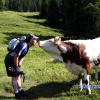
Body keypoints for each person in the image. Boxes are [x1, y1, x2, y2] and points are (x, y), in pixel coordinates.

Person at [4, 34, 38, 99]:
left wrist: (19, 66)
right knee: (14, 77)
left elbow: (22, 57)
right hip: (10, 60)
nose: (36, 40)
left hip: (14, 60)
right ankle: (17, 94)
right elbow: (16, 56)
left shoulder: (28, 46)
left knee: (18, 75)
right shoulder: (24, 45)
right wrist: (16, 67)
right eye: (34, 39)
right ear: (30, 40)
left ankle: (20, 90)